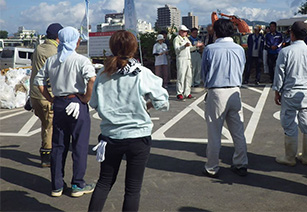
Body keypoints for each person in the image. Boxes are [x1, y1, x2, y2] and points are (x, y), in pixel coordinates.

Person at [88, 30, 169, 212]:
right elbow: (162, 102)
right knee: (132, 189)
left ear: (111, 47)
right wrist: (144, 106)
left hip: (110, 136)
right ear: (134, 49)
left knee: (103, 183)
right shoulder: (141, 73)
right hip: (138, 136)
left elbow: (94, 104)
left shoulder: (102, 73)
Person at [34, 27, 96, 197]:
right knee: (79, 145)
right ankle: (77, 184)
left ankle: (57, 185)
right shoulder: (81, 60)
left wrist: (51, 98)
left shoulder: (52, 60)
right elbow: (91, 79)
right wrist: (86, 99)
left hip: (59, 103)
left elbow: (38, 82)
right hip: (76, 101)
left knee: (59, 145)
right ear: (76, 41)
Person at [201, 19, 248, 177]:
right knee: (238, 131)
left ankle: (212, 166)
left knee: (214, 132)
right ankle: (241, 163)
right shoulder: (239, 49)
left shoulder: (210, 49)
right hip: (235, 90)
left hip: (217, 92)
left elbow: (204, 73)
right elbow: (242, 68)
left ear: (216, 31)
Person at [273, 21, 307, 166]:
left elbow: (279, 74)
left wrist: (277, 91)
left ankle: (290, 157)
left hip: (290, 92)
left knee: (290, 125)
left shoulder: (285, 52)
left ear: (292, 34)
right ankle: (305, 156)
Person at [29, 23, 63, 168]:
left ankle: (46, 151)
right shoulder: (54, 51)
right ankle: (47, 156)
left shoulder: (39, 48)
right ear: (58, 36)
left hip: (35, 94)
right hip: (46, 95)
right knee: (50, 126)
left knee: (45, 124)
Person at [173, 25, 196, 100]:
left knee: (188, 76)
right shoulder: (177, 39)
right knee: (181, 76)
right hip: (181, 58)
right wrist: (184, 46)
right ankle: (179, 93)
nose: (185, 33)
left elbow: (190, 48)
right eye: (183, 31)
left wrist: (197, 46)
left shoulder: (186, 39)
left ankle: (187, 92)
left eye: (186, 31)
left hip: (188, 59)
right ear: (179, 31)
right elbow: (176, 49)